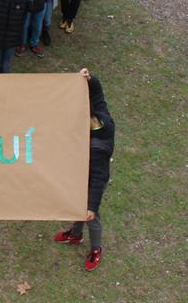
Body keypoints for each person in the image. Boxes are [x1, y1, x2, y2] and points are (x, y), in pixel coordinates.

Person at [54, 67, 115, 271]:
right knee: (76, 204)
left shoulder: (97, 147)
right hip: (82, 174)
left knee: (90, 215)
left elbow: (99, 178)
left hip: (93, 180)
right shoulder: (101, 115)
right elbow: (98, 93)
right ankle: (75, 234)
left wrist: (92, 206)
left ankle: (96, 248)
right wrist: (91, 78)